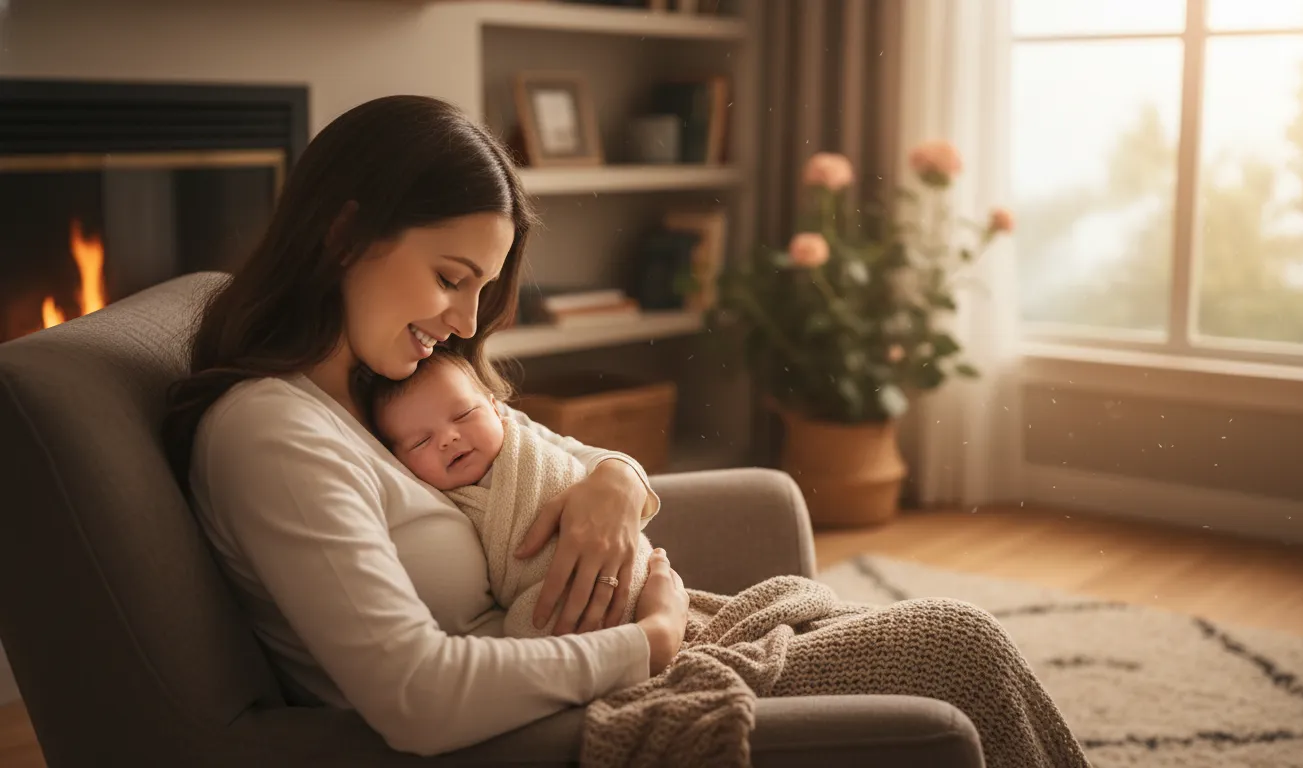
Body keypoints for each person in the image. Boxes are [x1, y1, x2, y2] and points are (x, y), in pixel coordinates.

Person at [163, 95, 1089, 766]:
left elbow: (540, 453)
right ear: (344, 233)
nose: (463, 319)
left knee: (952, 644)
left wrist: (613, 483)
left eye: (482, 288)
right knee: (954, 645)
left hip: (606, 658)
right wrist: (645, 641)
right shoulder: (275, 437)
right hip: (554, 717)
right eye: (451, 276)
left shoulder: (376, 389)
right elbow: (417, 698)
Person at [367, 348, 654, 639]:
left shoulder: (522, 444)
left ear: (495, 408)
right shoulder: (437, 501)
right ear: (398, 461)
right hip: (552, 606)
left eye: (464, 415)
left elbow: (592, 464)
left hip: (627, 566)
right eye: (421, 441)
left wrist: (621, 475)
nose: (448, 438)